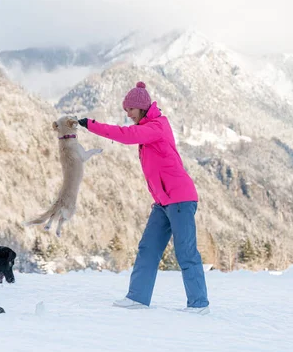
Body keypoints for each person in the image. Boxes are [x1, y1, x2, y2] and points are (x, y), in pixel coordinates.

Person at [78, 81, 210, 314]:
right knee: (148, 248)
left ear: (141, 108)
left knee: (186, 252)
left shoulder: (157, 126)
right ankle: (138, 297)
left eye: (129, 109)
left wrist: (91, 125)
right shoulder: (149, 126)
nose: (127, 114)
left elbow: (126, 135)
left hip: (180, 199)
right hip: (163, 202)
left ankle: (199, 304)